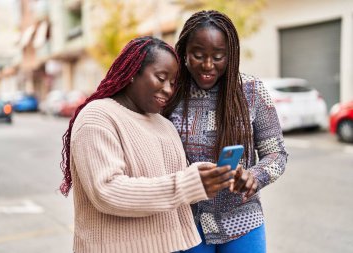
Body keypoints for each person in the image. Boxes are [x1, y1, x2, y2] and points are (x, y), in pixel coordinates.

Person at [59, 36, 237, 253]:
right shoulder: (98, 117)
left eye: (172, 83)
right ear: (132, 73)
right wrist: (186, 184)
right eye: (161, 78)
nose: (168, 90)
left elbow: (174, 186)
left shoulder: (164, 124)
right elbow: (107, 191)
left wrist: (205, 178)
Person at [163, 10, 288, 253]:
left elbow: (277, 153)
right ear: (184, 53)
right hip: (186, 222)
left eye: (218, 57)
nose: (208, 65)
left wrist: (255, 176)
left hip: (242, 220)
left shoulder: (252, 92)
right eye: (198, 55)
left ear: (231, 56)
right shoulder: (169, 94)